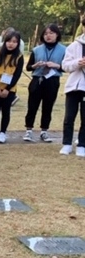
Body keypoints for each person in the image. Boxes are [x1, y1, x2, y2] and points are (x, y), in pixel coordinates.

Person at [22, 23, 66, 143]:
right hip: (37, 79)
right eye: (46, 33)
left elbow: (67, 67)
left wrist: (56, 65)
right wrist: (35, 65)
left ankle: (44, 131)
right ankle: (29, 130)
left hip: (52, 80)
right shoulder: (36, 49)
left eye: (51, 33)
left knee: (48, 106)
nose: (48, 36)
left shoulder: (64, 50)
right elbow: (28, 67)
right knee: (32, 106)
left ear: (57, 34)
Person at [0, 30, 24, 144]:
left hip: (10, 89)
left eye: (14, 41)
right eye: (8, 41)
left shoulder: (19, 57)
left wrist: (7, 89)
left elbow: (17, 75)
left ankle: (3, 132)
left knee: (6, 111)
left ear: (18, 43)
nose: (11, 44)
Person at [59, 16, 85, 156]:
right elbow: (65, 66)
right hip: (74, 87)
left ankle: (82, 144)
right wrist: (77, 63)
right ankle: (67, 143)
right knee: (69, 117)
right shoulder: (74, 46)